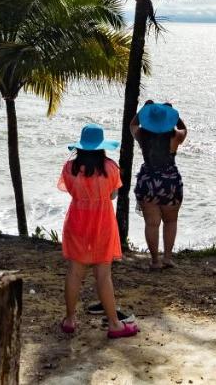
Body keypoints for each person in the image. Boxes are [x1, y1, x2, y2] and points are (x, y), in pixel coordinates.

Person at [57, 124, 139, 339]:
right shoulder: (110, 168)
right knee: (103, 275)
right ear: (101, 146)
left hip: (77, 219)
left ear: (80, 146)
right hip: (102, 221)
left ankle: (69, 319)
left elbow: (71, 191)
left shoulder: (70, 168)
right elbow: (113, 196)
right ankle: (114, 324)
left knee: (75, 271)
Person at [130, 100, 187, 269]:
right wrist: (174, 114)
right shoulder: (175, 136)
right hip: (171, 182)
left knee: (151, 224)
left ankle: (155, 261)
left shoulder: (142, 135)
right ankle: (167, 258)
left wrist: (144, 108)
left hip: (148, 180)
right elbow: (184, 129)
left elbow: (132, 124)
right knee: (171, 222)